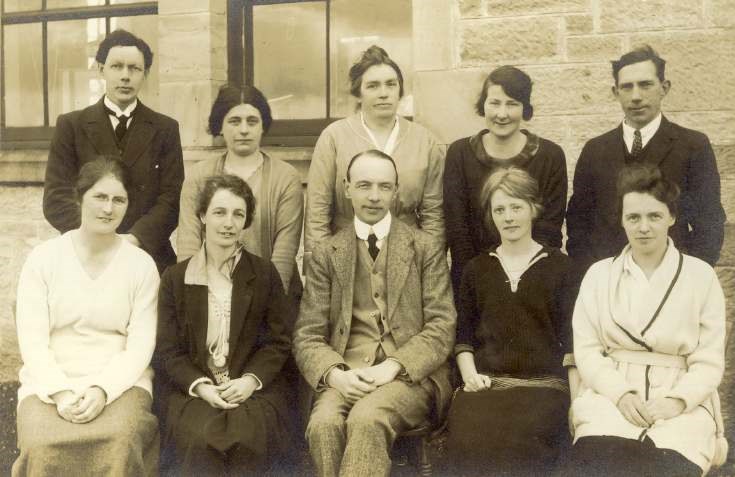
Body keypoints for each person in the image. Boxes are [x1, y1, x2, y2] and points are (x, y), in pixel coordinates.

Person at [293, 150, 456, 477]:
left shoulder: (424, 248)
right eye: (364, 185)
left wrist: (393, 367)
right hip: (346, 374)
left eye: (384, 186)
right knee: (323, 425)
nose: (374, 196)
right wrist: (336, 375)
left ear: (396, 191)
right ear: (347, 188)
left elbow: (442, 326)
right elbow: (307, 334)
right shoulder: (327, 253)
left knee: (367, 418)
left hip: (408, 377)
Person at [567, 165, 726, 476]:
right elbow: (586, 350)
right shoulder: (600, 275)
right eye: (633, 217)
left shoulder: (700, 276)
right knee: (598, 462)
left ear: (672, 217)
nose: (643, 227)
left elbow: (709, 360)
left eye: (654, 216)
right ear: (622, 220)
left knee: (665, 464)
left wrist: (678, 401)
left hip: (681, 398)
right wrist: (620, 394)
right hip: (612, 395)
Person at [13, 158, 160, 477]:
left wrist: (102, 389)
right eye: (100, 197)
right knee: (42, 445)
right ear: (79, 198)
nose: (109, 208)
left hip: (121, 382)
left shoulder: (141, 265)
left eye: (119, 199)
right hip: (50, 382)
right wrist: (60, 392)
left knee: (120, 439)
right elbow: (32, 341)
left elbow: (140, 347)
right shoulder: (43, 259)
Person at [157, 174, 295, 476]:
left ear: (246, 222)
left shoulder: (263, 273)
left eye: (238, 214)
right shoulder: (176, 279)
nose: (228, 223)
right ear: (203, 216)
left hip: (252, 387)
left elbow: (278, 340)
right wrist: (201, 386)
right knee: (199, 438)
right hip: (196, 389)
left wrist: (250, 380)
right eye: (219, 212)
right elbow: (168, 351)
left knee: (249, 437)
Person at [445, 167, 573, 476]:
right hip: (487, 387)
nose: (509, 217)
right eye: (499, 209)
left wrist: (576, 402)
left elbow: (572, 342)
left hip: (544, 389)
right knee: (468, 436)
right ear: (490, 215)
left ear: (533, 208)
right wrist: (470, 377)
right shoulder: (476, 269)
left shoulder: (561, 267)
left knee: (524, 441)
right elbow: (463, 337)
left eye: (516, 207)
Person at [566, 44, 725, 277]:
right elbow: (578, 223)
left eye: (645, 85)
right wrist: (593, 274)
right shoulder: (595, 150)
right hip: (609, 283)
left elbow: (709, 222)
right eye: (627, 87)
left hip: (671, 280)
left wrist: (687, 276)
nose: (636, 96)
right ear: (615, 92)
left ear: (664, 88)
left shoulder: (692, 146)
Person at [43, 29, 184, 272]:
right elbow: (56, 199)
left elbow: (171, 199)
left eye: (134, 68)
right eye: (117, 66)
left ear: (146, 73)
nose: (125, 76)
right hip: (86, 256)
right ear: (100, 70)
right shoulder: (71, 125)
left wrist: (133, 240)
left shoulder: (165, 128)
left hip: (148, 256)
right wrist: (101, 239)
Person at [304, 45, 445, 268]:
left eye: (391, 84)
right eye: (373, 86)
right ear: (358, 93)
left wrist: (430, 264)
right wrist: (321, 264)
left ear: (400, 90)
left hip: (408, 255)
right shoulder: (334, 137)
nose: (383, 93)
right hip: (346, 253)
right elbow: (318, 211)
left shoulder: (425, 141)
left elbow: (434, 214)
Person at [443, 66, 567, 296]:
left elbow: (549, 229)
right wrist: (482, 281)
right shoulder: (459, 154)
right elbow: (457, 230)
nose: (502, 113)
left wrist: (520, 279)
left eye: (512, 104)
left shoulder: (550, 156)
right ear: (483, 105)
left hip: (533, 280)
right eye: (494, 103)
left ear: (525, 109)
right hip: (473, 281)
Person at [177, 84, 303, 296]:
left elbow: (284, 254)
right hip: (210, 292)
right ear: (220, 126)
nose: (244, 130)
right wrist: (194, 298)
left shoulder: (285, 177)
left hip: (270, 297)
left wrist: (264, 305)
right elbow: (188, 243)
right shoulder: (199, 175)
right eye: (234, 121)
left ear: (263, 126)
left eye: (252, 121)